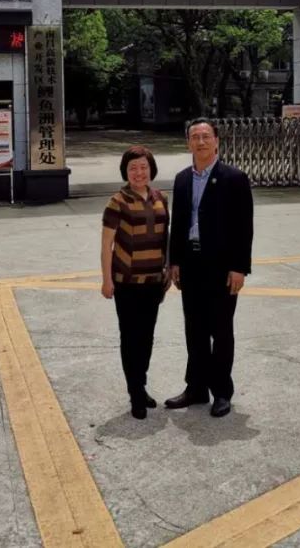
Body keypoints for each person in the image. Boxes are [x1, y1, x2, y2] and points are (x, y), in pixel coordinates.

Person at [165, 118, 253, 418]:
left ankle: (222, 392)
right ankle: (196, 388)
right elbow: (178, 223)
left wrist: (239, 268)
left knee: (221, 330)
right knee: (195, 330)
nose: (200, 142)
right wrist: (174, 261)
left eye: (205, 136)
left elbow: (244, 227)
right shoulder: (182, 179)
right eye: (195, 137)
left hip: (222, 267)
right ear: (188, 143)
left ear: (216, 141)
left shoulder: (234, 178)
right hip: (191, 264)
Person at [100, 145, 171, 419]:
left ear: (151, 169)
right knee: (131, 338)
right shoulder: (117, 202)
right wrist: (107, 280)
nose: (139, 173)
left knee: (147, 337)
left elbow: (165, 238)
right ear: (125, 172)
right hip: (126, 283)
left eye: (143, 167)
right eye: (133, 168)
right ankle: (136, 393)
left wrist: (167, 269)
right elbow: (107, 245)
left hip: (153, 281)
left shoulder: (161, 198)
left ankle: (140, 384)